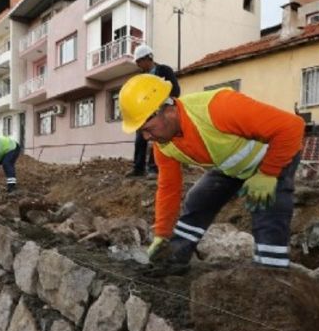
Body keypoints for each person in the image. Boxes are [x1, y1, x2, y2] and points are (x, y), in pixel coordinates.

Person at [119, 73, 305, 270]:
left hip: (273, 155)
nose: (146, 137)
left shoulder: (218, 107)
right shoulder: (164, 145)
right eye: (141, 132)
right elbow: (168, 188)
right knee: (198, 198)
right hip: (231, 167)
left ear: (167, 110)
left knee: (266, 204)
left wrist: (268, 173)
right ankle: (174, 254)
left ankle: (270, 272)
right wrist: (162, 234)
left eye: (147, 128)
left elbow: (292, 127)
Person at [127, 44, 180, 178]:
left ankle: (153, 168)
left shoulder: (164, 71)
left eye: (139, 61)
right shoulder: (141, 77)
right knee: (140, 138)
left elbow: (175, 91)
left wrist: (160, 99)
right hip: (147, 111)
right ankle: (138, 169)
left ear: (148, 58)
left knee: (157, 139)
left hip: (162, 110)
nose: (138, 64)